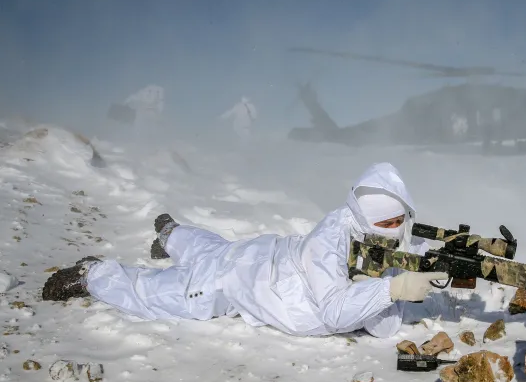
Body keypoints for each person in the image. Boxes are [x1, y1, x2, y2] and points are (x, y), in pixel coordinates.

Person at [41, 162, 447, 338]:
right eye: (388, 224)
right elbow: (335, 312)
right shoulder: (330, 240)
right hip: (242, 281)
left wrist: (418, 266)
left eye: (400, 223)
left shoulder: (370, 235)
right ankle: (93, 274)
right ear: (365, 217)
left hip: (265, 254)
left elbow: (382, 326)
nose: (395, 233)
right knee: (178, 295)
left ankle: (170, 232)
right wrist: (392, 290)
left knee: (213, 249)